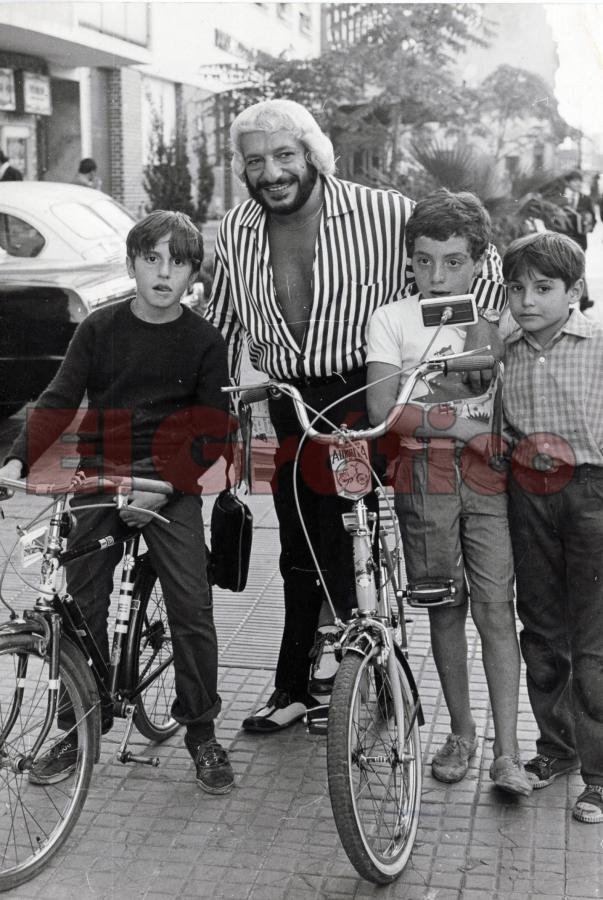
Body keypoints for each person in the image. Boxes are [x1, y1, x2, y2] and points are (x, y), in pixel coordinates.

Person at [206, 98, 506, 733]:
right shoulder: (234, 229)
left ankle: (372, 672)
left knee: (356, 538)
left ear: (312, 154)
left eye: (285, 155)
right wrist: (223, 404)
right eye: (256, 160)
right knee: (297, 543)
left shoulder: (382, 211)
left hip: (366, 390)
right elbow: (228, 321)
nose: (272, 172)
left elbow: (477, 260)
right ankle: (302, 686)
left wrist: (473, 349)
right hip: (292, 399)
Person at [0, 210, 235, 794]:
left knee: (190, 605)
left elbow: (213, 430)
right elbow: (58, 398)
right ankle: (79, 725)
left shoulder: (205, 341)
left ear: (192, 275)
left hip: (168, 483)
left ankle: (201, 730)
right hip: (99, 477)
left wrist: (173, 485)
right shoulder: (100, 329)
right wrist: (16, 460)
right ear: (131, 265)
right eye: (151, 259)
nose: (163, 273)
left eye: (177, 263)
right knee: (79, 603)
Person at [365, 189, 531, 796]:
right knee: (444, 609)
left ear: (480, 261)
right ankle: (461, 733)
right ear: (408, 260)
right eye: (424, 259)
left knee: (494, 609)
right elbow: (385, 409)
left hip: (488, 483)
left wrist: (428, 407)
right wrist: (465, 426)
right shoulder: (390, 319)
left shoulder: (496, 321)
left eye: (454, 261)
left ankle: (508, 751)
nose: (437, 275)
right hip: (422, 480)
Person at [502, 231, 603, 823]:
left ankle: (599, 774)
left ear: (575, 291)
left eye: (543, 288)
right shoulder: (506, 347)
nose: (528, 300)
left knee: (592, 644)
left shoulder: (597, 345)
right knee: (540, 630)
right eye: (517, 289)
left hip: (592, 493)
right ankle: (556, 751)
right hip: (529, 494)